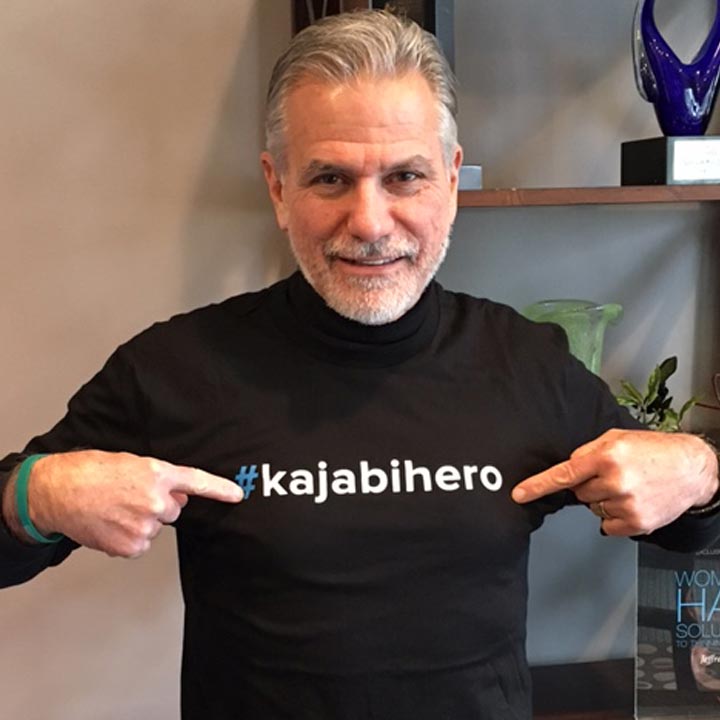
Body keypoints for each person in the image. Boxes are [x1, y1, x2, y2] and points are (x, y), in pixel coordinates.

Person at [1, 9, 719, 719]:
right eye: (329, 179)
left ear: (451, 179)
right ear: (278, 187)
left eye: (404, 176)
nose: (370, 223)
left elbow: (690, 528)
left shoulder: (527, 362)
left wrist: (698, 469)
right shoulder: (176, 368)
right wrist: (38, 495)